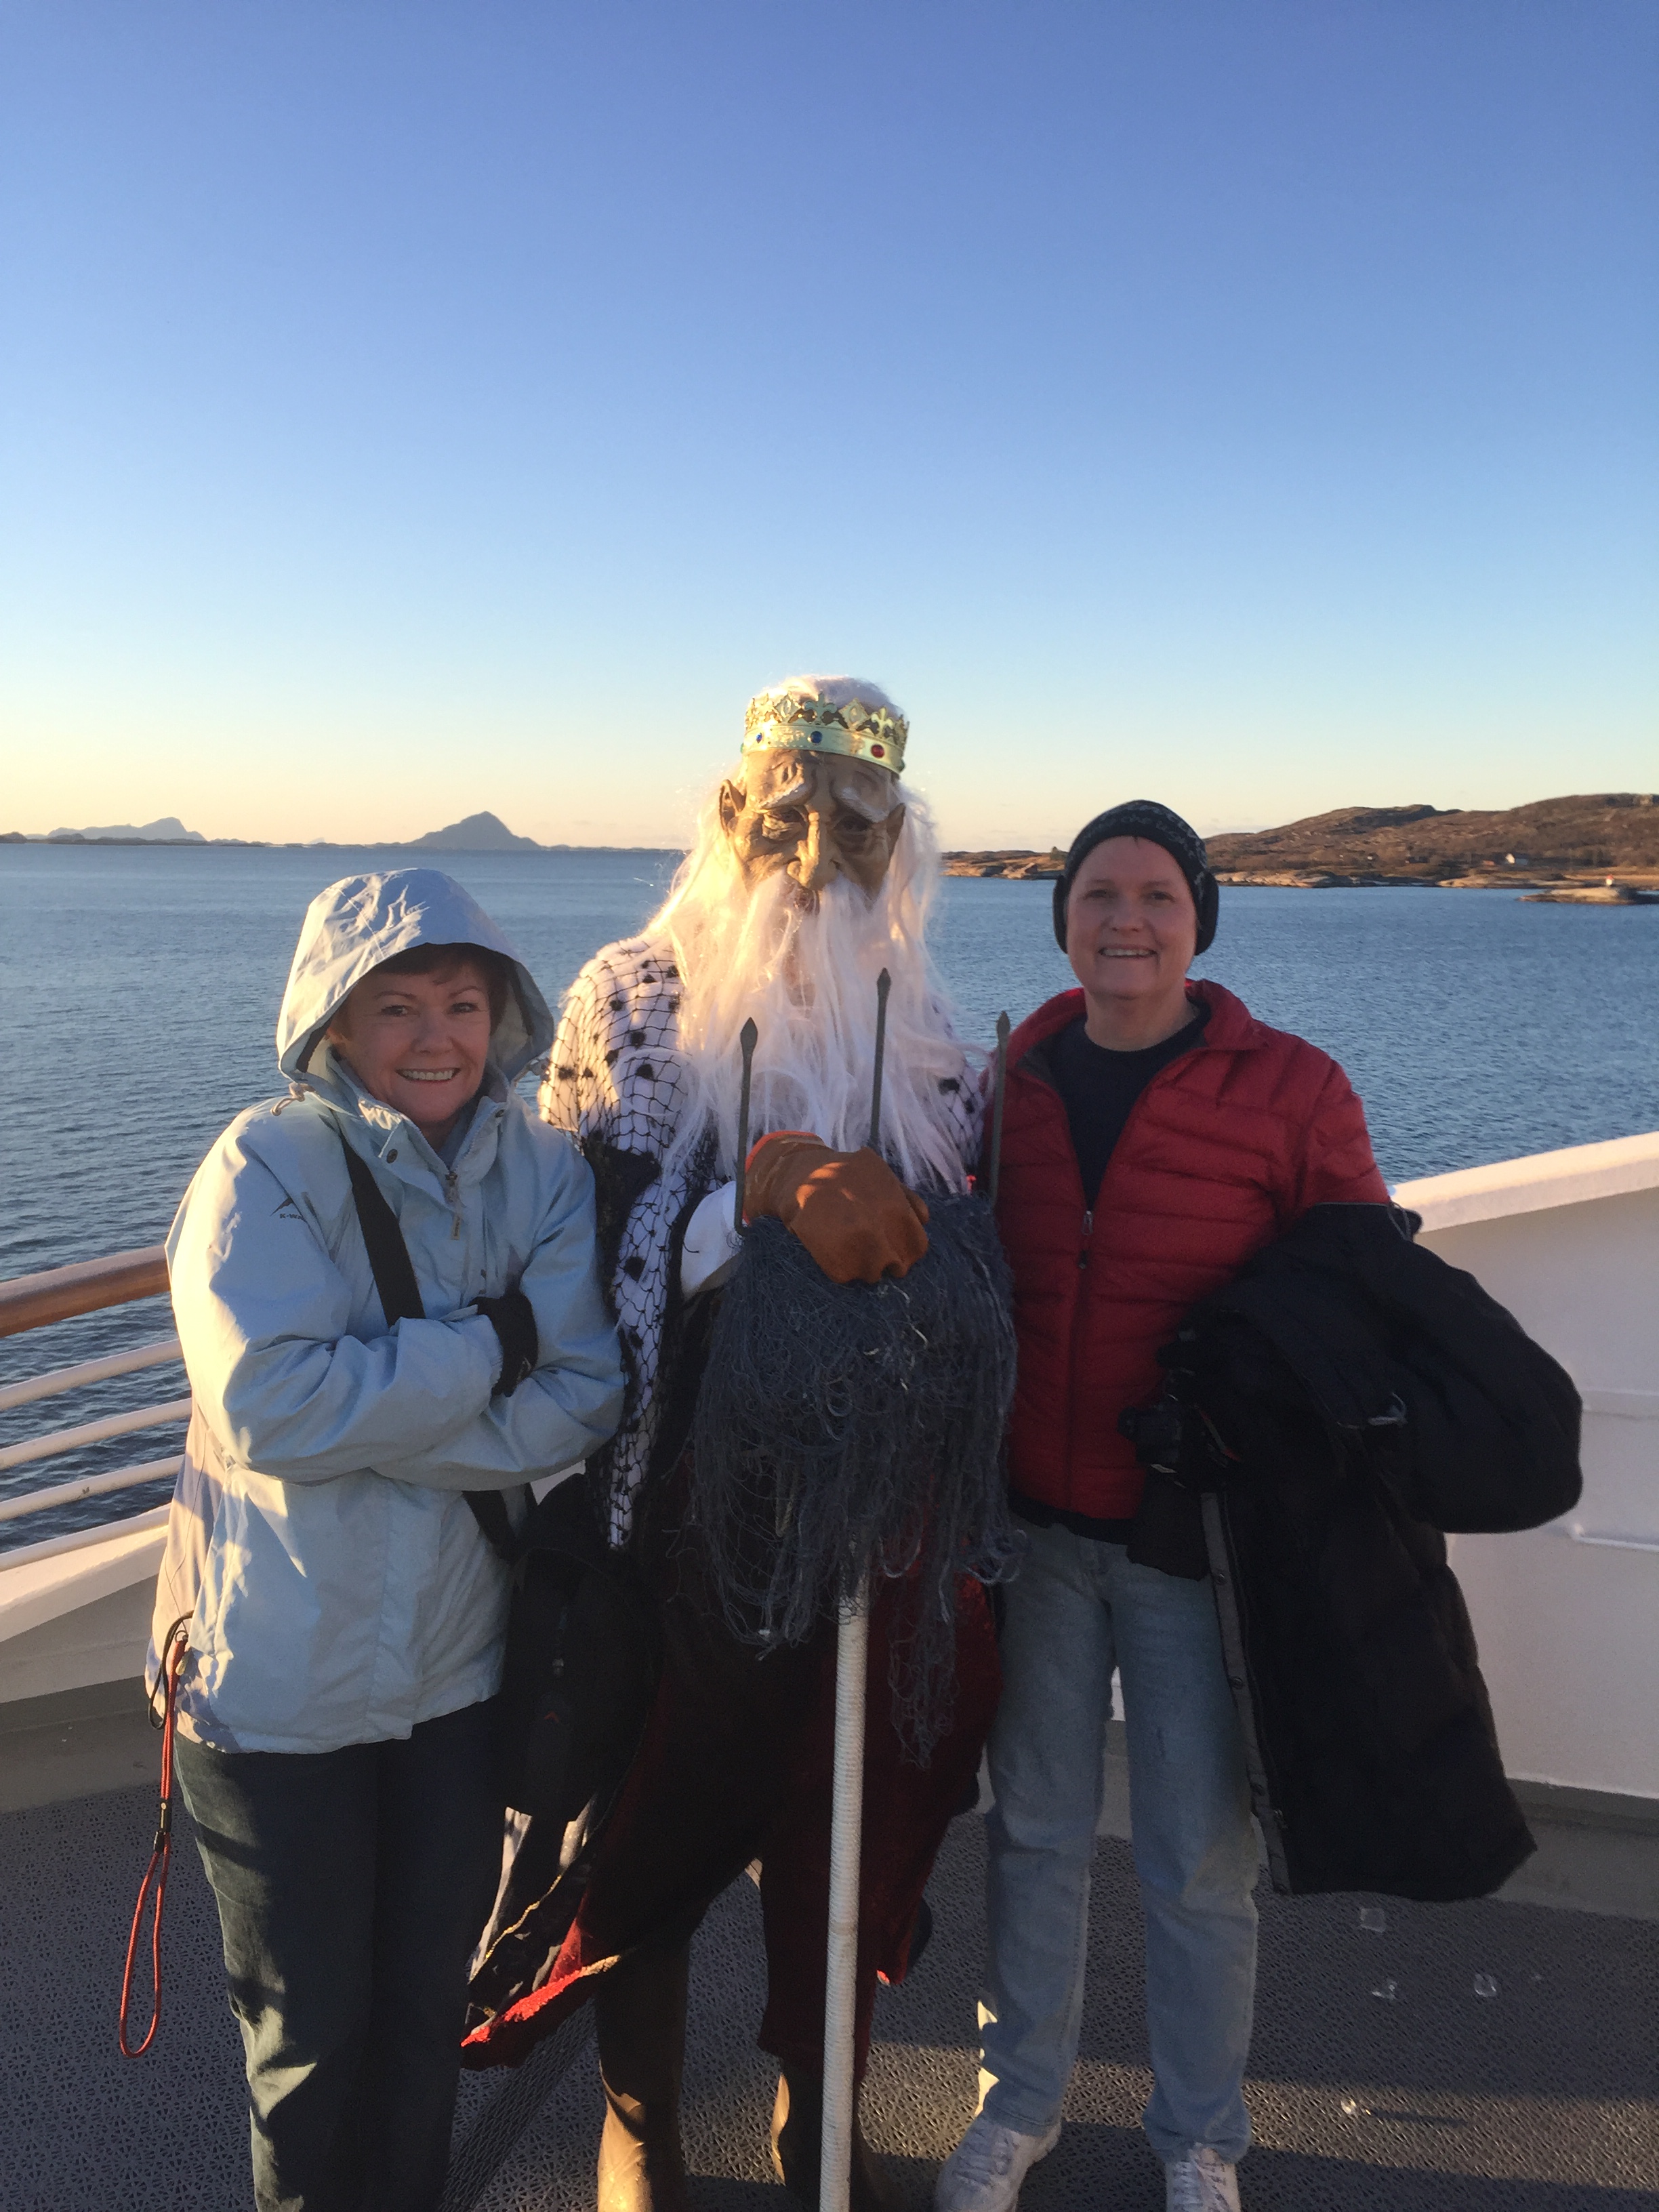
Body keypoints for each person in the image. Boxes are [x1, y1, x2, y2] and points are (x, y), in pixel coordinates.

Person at [462, 676, 1010, 2212]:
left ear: (900, 841)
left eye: (857, 826)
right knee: (644, 1817)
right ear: (729, 817)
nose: (817, 854)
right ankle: (640, 2119)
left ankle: (817, 2108)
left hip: (873, 1516)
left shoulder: (930, 1032)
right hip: (678, 1504)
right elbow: (576, 1234)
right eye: (787, 817)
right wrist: (747, 1208)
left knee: (845, 1822)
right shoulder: (633, 998)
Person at [148, 867, 625, 2212]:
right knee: (307, 2045)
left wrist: (376, 1417)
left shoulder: (541, 1169)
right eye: (397, 1005)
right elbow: (268, 1406)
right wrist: (490, 1343)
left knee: (424, 2019)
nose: (435, 1037)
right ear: (335, 1023)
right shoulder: (264, 1166)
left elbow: (587, 1391)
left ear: (502, 1016)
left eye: (462, 1004)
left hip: (455, 1685)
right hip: (271, 1690)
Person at [935, 803, 1389, 2212]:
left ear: (1199, 921)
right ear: (1062, 918)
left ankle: (1200, 2139)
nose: (1125, 920)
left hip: (1196, 1545)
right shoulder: (1006, 1080)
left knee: (1199, 1859)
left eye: (1156, 897)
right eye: (1098, 895)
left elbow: (1361, 1292)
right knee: (1035, 1832)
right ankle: (1019, 2104)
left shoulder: (1292, 1087)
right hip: (1037, 1531)